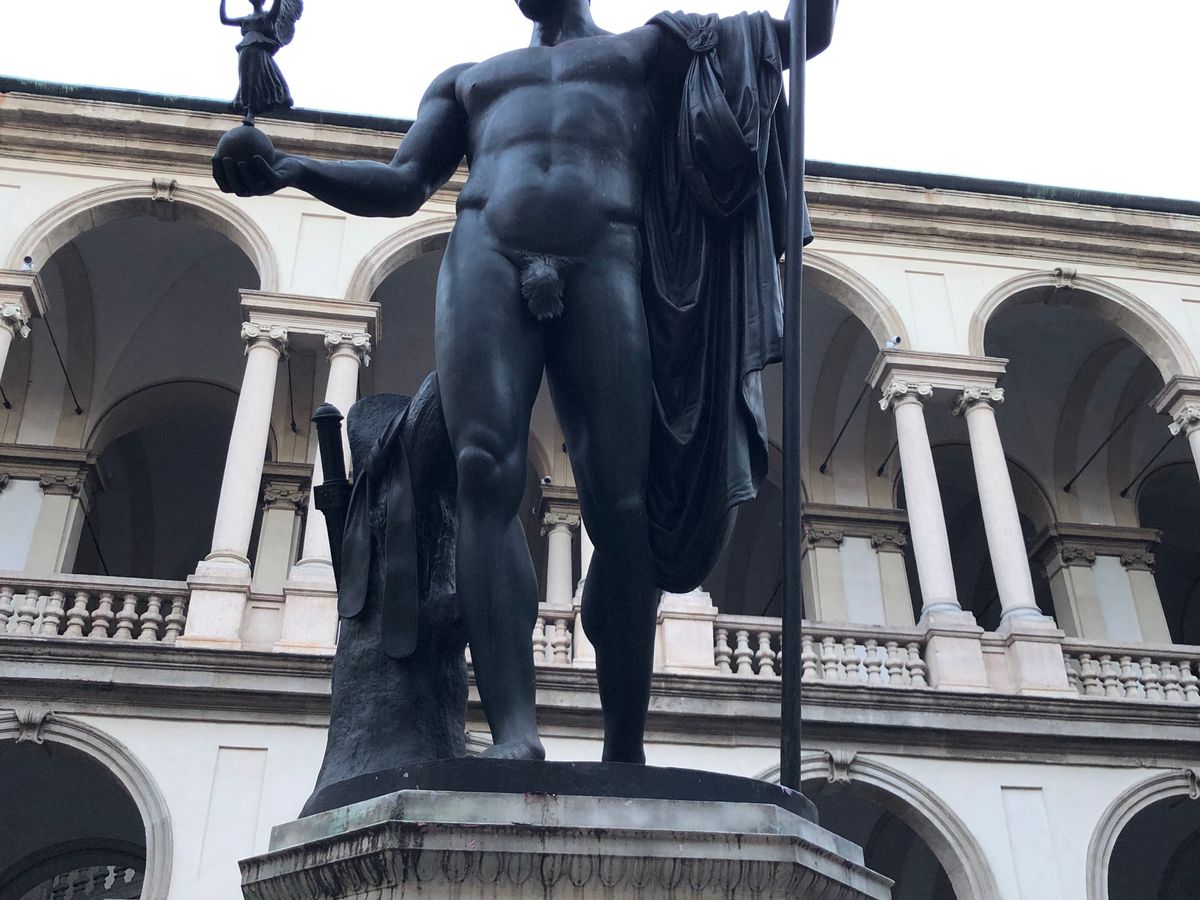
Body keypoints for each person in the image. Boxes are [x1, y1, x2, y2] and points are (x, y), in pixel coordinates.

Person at [213, 0, 835, 765]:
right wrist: (290, 168)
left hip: (607, 254)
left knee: (623, 503)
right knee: (483, 470)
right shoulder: (470, 80)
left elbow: (801, 37)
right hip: (485, 252)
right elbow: (404, 183)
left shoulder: (647, 51)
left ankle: (624, 745)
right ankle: (516, 731)